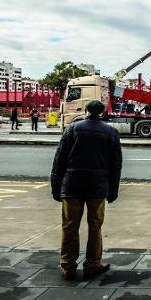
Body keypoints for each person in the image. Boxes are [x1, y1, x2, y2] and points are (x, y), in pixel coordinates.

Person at [51, 100, 122, 281]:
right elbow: (116, 165)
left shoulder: (72, 129)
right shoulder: (111, 132)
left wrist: (56, 186)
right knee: (95, 227)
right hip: (97, 187)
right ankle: (92, 264)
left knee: (69, 227)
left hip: (72, 184)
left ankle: (68, 266)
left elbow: (59, 159)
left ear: (86, 111)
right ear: (103, 113)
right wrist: (113, 190)